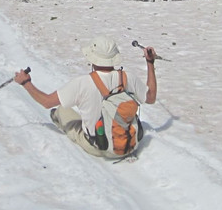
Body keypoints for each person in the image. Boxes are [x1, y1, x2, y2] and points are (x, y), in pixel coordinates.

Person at [14, 35, 157, 157]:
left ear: (93, 58)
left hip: (98, 147)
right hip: (130, 144)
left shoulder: (82, 83)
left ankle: (63, 122)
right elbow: (150, 98)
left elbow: (46, 102)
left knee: (61, 110)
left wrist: (26, 83)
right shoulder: (128, 78)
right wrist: (150, 63)